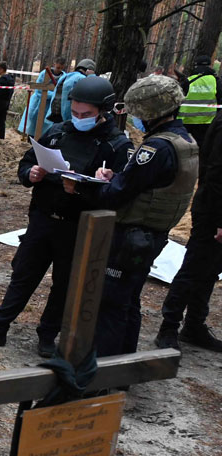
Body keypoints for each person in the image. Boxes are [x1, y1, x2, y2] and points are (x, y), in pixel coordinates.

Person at [0, 76, 129, 357]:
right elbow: (28, 161)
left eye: (86, 115)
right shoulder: (58, 132)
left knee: (63, 284)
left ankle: (47, 334)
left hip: (78, 227)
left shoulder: (115, 146)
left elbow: (118, 195)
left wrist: (86, 189)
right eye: (75, 113)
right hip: (42, 219)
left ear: (103, 111)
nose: (79, 119)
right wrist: (31, 173)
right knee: (23, 274)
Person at [71, 75, 198, 356]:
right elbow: (149, 185)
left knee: (111, 305)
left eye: (137, 112)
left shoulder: (157, 148)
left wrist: (93, 185)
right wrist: (118, 176)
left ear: (150, 112)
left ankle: (102, 372)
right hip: (151, 235)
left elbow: (120, 192)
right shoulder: (184, 140)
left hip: (131, 236)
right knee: (129, 302)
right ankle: (123, 367)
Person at [155, 112, 222, 351]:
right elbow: (216, 173)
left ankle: (194, 325)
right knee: (194, 268)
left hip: (214, 209)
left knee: (210, 270)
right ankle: (169, 326)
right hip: (213, 210)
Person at [176, 55, 220, 147]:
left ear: (196, 66)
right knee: (202, 148)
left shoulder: (188, 81)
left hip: (186, 122)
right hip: (207, 122)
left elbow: (177, 100)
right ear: (210, 66)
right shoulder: (216, 81)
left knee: (184, 147)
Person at [19, 56, 66, 137]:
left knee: (46, 128)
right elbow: (39, 90)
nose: (59, 70)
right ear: (54, 64)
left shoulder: (64, 77)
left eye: (61, 68)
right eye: (58, 67)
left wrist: (54, 95)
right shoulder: (44, 74)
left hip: (50, 106)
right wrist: (53, 94)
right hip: (38, 103)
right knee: (34, 125)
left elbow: (61, 91)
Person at [48, 58, 96, 125]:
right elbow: (93, 90)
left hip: (55, 114)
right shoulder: (81, 78)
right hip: (68, 117)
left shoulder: (66, 76)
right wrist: (91, 76)